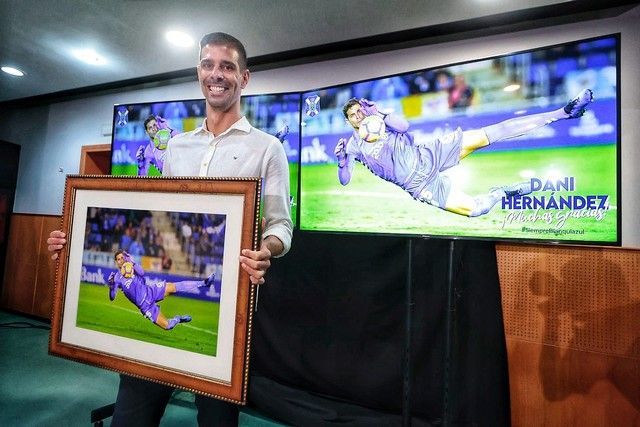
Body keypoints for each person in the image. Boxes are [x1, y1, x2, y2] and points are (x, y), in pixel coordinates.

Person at [48, 32, 293, 426]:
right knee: (130, 418)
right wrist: (73, 240)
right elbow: (158, 215)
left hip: (229, 314)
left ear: (244, 78)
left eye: (228, 66)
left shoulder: (267, 148)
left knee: (216, 421)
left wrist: (267, 248)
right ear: (199, 72)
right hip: (163, 278)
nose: (217, 74)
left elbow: (280, 223)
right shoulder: (176, 147)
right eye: (208, 64)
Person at [334, 89, 594, 217]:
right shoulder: (353, 145)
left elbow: (405, 126)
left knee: (490, 133)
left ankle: (564, 112)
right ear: (348, 121)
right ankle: (501, 192)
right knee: (476, 210)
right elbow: (345, 179)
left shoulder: (381, 120)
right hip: (420, 185)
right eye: (353, 115)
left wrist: (379, 112)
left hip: (429, 154)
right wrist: (341, 161)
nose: (359, 115)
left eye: (360, 110)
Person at [108, 249, 214, 330]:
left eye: (122, 257)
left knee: (174, 287)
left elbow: (142, 273)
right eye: (118, 259)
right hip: (146, 307)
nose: (121, 260)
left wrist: (133, 263)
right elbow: (112, 297)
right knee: (167, 326)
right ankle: (177, 319)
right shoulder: (116, 278)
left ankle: (204, 283)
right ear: (116, 262)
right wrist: (111, 286)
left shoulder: (131, 266)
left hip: (151, 291)